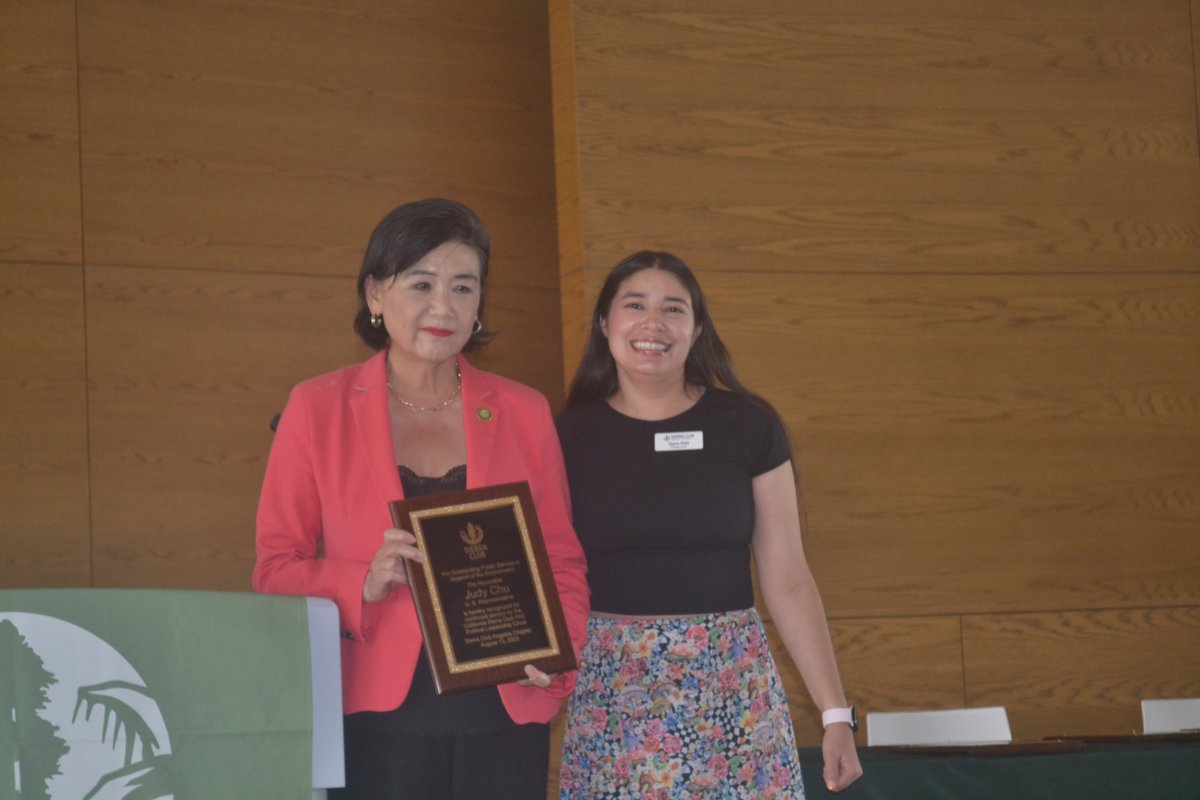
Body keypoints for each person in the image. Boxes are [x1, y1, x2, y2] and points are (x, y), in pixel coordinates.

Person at [253, 198, 589, 800]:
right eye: (422, 283)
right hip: (375, 711)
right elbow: (274, 570)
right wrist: (361, 579)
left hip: (506, 708)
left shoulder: (524, 409)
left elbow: (561, 559)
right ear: (376, 294)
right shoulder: (317, 407)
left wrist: (561, 651)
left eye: (464, 286)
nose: (444, 306)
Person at [554, 251, 862, 798]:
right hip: (613, 692)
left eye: (674, 309)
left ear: (697, 329)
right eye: (634, 306)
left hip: (732, 686)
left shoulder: (747, 425)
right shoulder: (565, 436)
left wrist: (836, 712)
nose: (654, 324)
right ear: (605, 324)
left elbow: (788, 576)